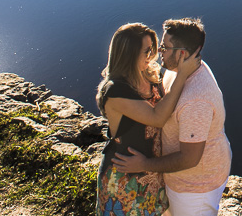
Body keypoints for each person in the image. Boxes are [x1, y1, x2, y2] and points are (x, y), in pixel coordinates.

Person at [113, 18, 233, 216]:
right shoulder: (179, 70)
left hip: (195, 188)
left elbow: (189, 159)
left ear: (182, 54)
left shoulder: (196, 101)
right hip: (179, 179)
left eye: (164, 48)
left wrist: (144, 164)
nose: (159, 52)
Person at [95, 22, 201, 216]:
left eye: (152, 49)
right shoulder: (115, 90)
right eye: (146, 51)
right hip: (125, 178)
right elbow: (157, 118)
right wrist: (182, 75)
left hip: (149, 172)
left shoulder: (147, 75)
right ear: (129, 55)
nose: (152, 55)